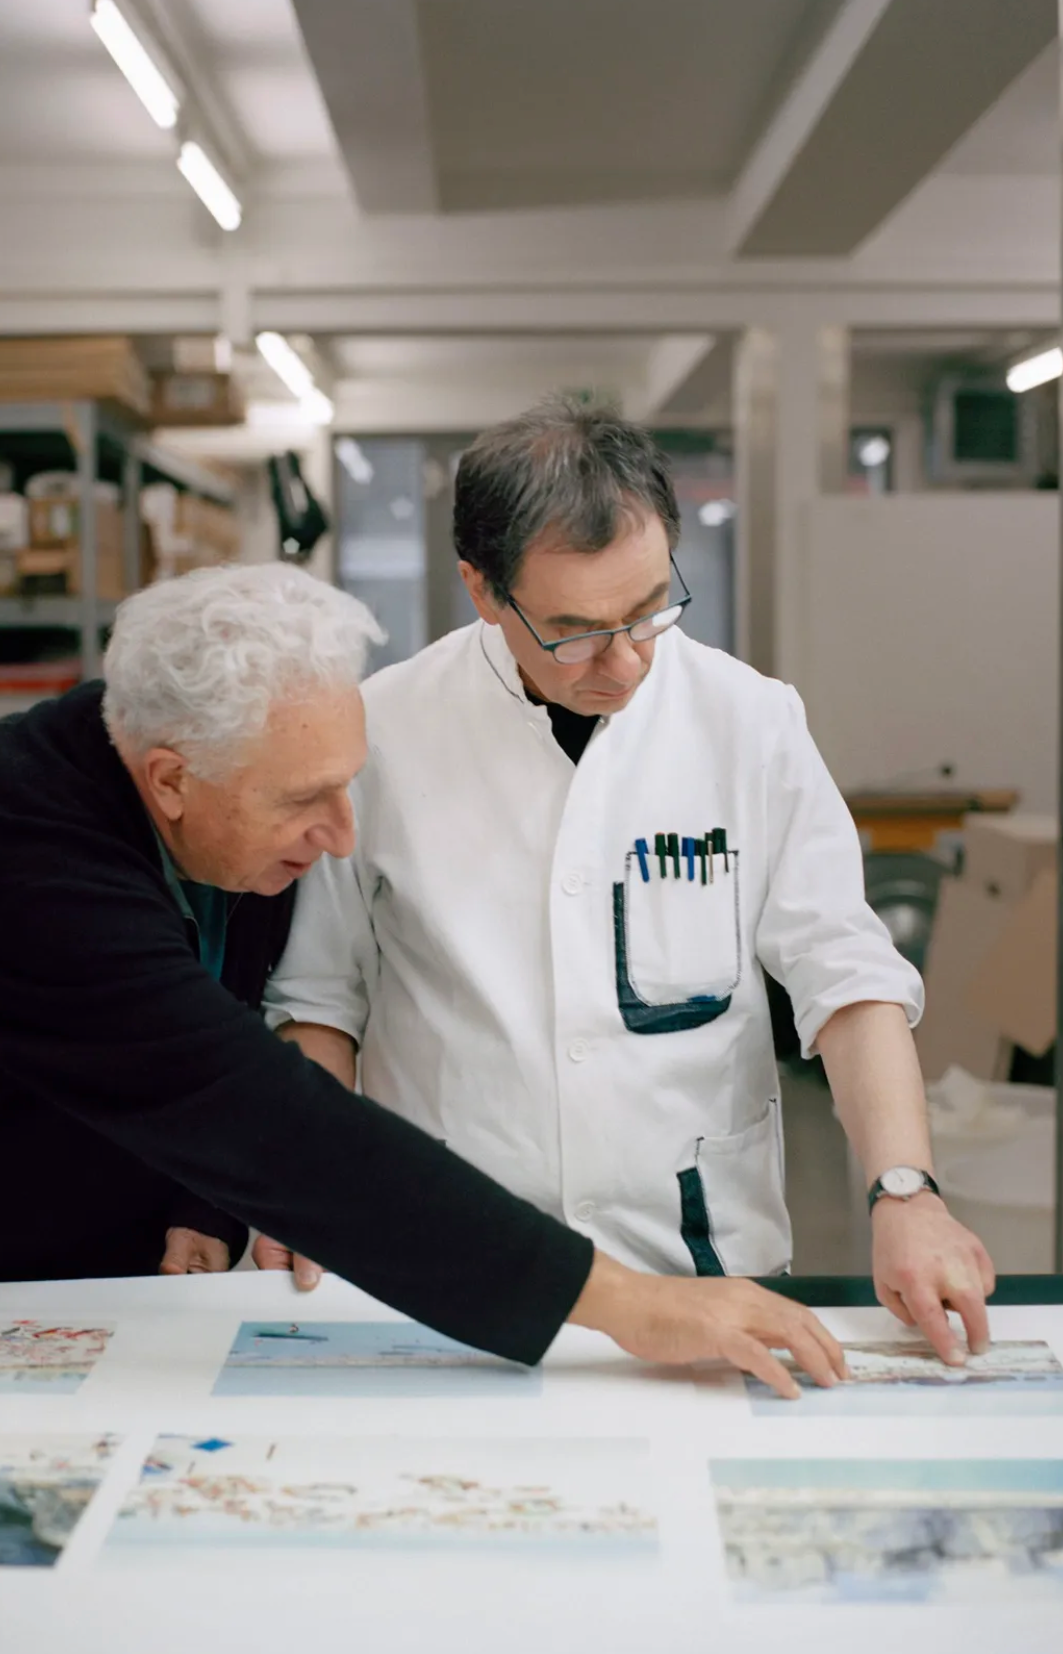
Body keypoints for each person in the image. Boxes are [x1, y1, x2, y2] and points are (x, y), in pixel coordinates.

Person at [0, 565, 854, 1399]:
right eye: (304, 802)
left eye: (350, 784)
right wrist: (637, 1306)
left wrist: (202, 1199)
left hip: (39, 1274)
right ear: (171, 778)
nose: (339, 834)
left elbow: (210, 1012)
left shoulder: (203, 768)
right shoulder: (13, 852)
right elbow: (278, 1125)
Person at [259, 401, 995, 1364]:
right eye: (575, 631)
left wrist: (907, 1192)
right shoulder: (383, 731)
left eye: (650, 609)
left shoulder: (750, 721)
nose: (628, 661)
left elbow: (844, 977)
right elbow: (322, 999)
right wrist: (315, 1190)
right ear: (482, 590)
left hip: (703, 1269)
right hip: (453, 1272)